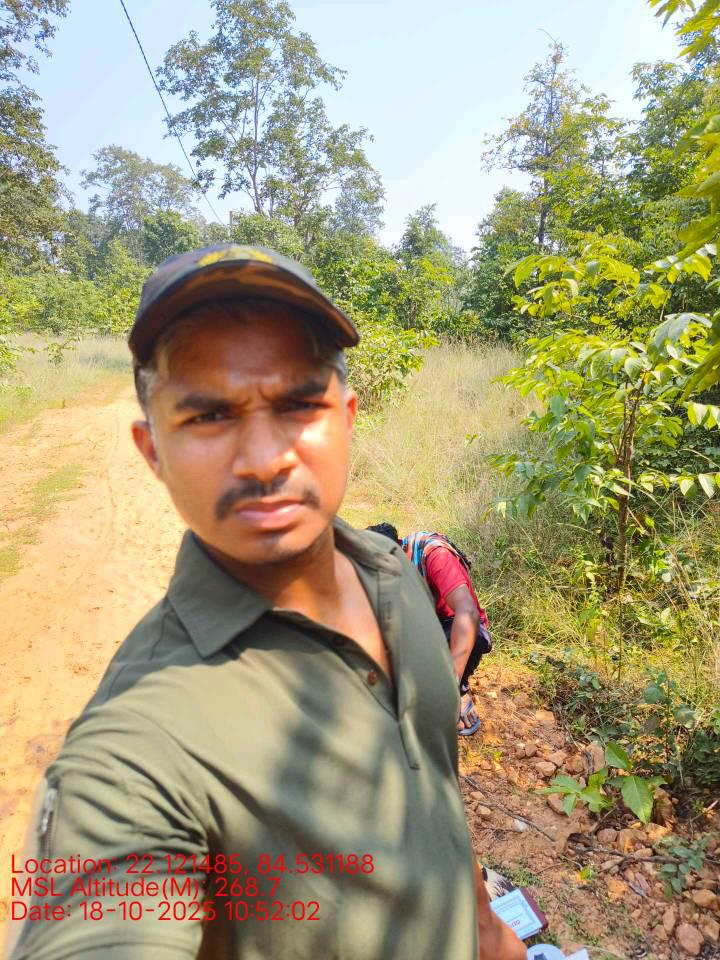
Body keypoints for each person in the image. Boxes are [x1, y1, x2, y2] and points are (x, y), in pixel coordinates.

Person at [5, 245, 525, 960]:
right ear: (151, 449)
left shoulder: (394, 575)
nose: (264, 458)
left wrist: (489, 933)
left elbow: (433, 787)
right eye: (209, 415)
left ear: (347, 416)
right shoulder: (132, 754)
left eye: (298, 404)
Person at [367, 523, 489, 736]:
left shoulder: (435, 555)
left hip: (452, 627)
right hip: (424, 628)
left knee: (473, 636)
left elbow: (468, 614)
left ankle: (459, 687)